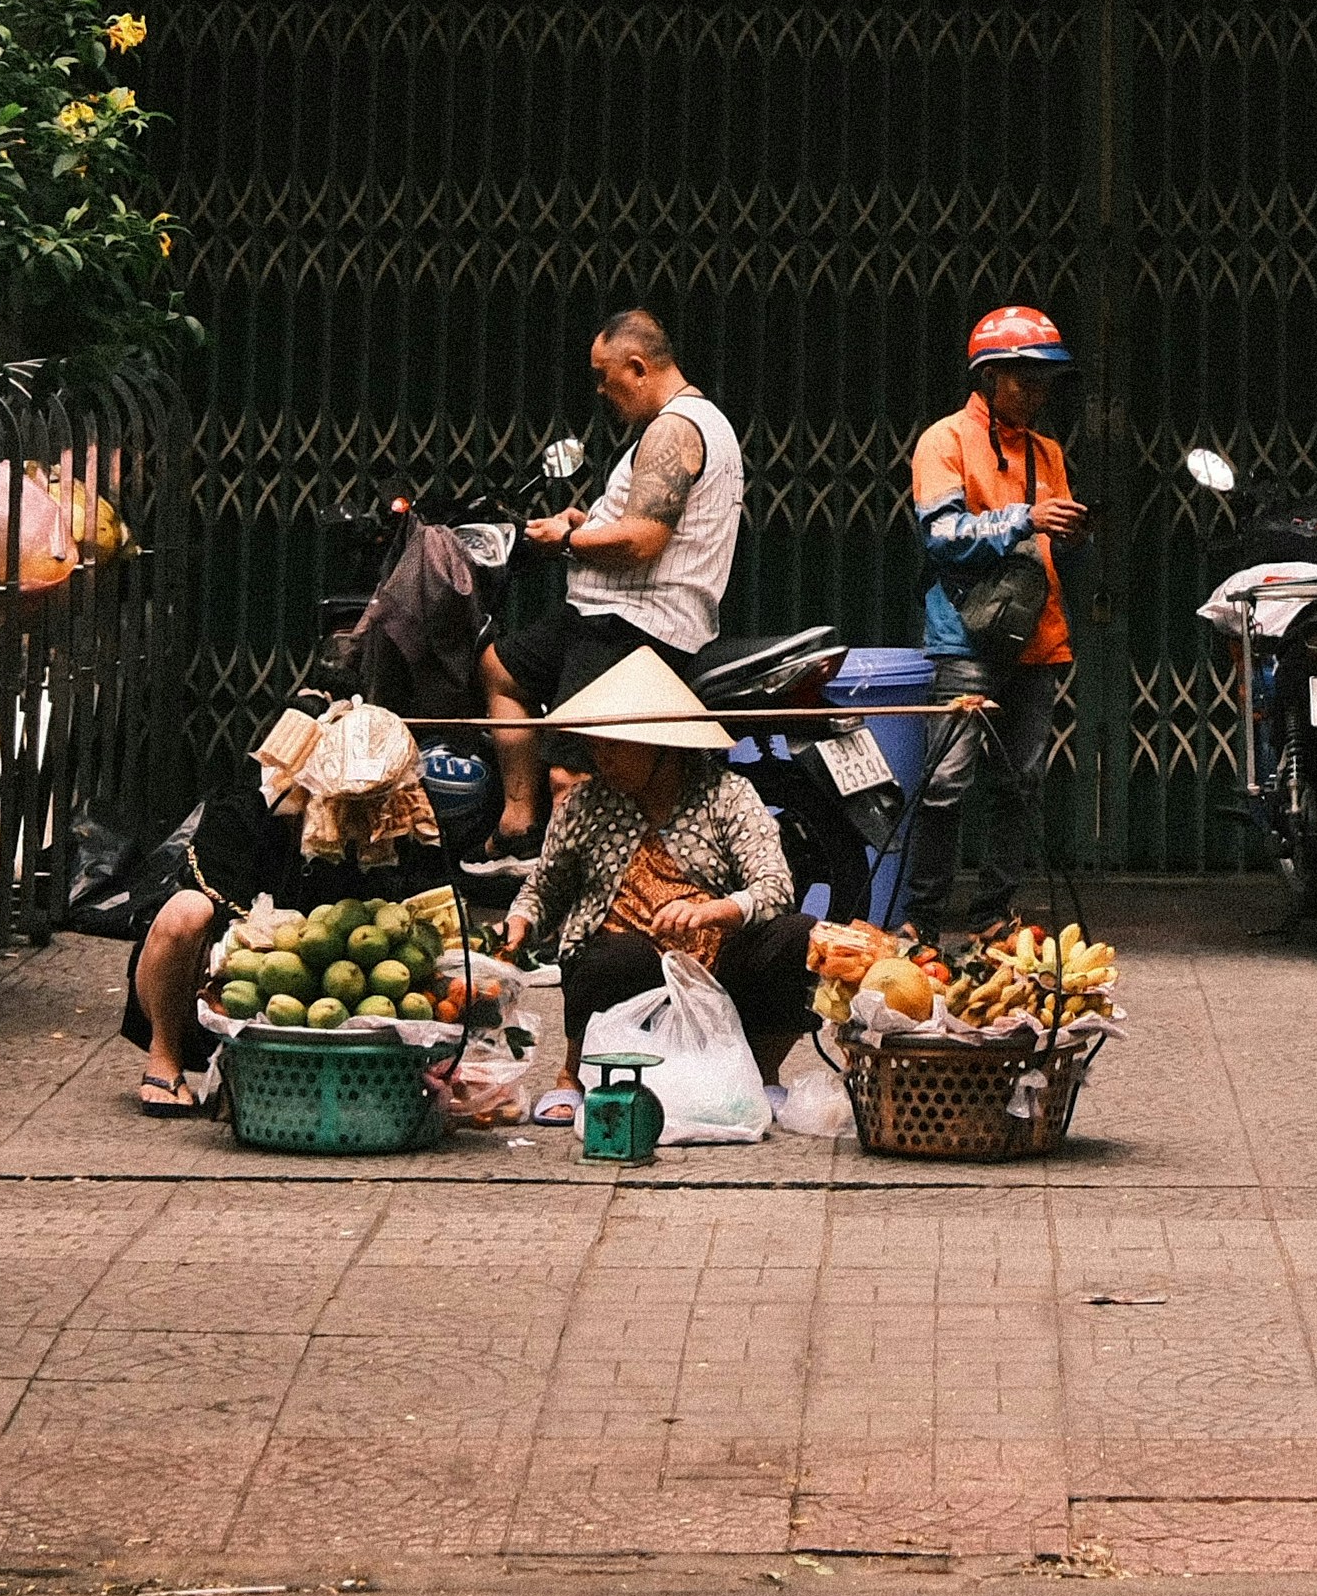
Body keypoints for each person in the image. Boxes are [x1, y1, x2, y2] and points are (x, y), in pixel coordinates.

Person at [129, 520, 522, 1115]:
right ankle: (163, 1058)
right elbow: (239, 935)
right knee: (185, 912)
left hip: (355, 990)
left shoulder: (406, 811)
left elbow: (431, 918)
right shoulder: (256, 801)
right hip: (236, 974)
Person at [505, 645, 814, 1088]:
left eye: (615, 747)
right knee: (617, 954)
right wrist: (519, 922)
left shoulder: (727, 795)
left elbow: (773, 887)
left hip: (715, 969)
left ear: (660, 746)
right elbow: (544, 889)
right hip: (625, 967)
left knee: (795, 933)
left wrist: (716, 911)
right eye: (596, 748)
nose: (601, 761)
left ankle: (762, 1076)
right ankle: (572, 1076)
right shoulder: (584, 805)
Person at [906, 304, 1087, 940]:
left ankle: (993, 916)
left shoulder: (1048, 452)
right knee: (946, 782)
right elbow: (942, 534)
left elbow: (1047, 546)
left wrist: (1064, 532)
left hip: (1035, 640)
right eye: (1025, 379)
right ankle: (920, 920)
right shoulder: (944, 440)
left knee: (1020, 785)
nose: (1038, 393)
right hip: (964, 640)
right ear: (990, 377)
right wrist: (1025, 520)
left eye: (1044, 381)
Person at [529, 306, 747, 681]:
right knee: (500, 668)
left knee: (571, 739)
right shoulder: (706, 421)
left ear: (638, 368)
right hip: (648, 619)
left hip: (633, 623)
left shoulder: (673, 429)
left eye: (603, 376)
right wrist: (592, 524)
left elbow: (641, 541)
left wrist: (566, 539)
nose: (600, 389)